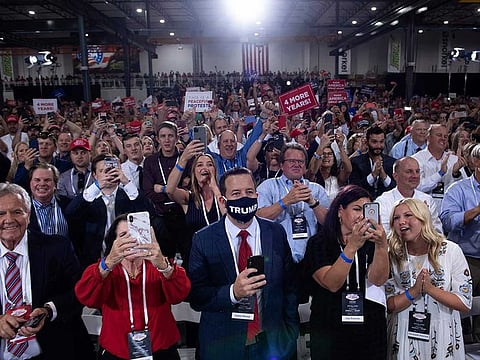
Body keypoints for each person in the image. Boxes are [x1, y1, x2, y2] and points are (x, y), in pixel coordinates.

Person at [189, 167, 299, 359]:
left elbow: (289, 286)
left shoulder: (275, 233)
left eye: (249, 192)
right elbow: (198, 296)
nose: (244, 197)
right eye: (236, 193)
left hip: (271, 343)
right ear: (223, 200)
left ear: (257, 195)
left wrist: (290, 331)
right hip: (223, 346)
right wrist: (233, 293)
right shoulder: (203, 239)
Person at [75, 214, 191, 360]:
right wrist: (109, 262)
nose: (131, 241)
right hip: (116, 352)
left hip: (162, 350)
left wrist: (164, 266)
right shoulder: (104, 270)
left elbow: (180, 294)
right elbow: (86, 297)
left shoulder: (159, 265)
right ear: (114, 242)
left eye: (136, 233)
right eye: (124, 235)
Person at [0, 183, 94, 360]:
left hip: (51, 350)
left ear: (28, 215)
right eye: (1, 213)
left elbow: (79, 293)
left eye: (17, 212)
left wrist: (48, 310)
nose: (9, 219)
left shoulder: (57, 247)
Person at [305, 185, 389, 359]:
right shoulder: (319, 243)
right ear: (340, 212)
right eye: (357, 209)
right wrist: (351, 247)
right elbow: (332, 283)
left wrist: (382, 245)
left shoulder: (372, 242)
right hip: (329, 325)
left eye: (366, 210)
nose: (362, 216)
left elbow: (378, 279)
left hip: (369, 324)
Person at [385, 198, 472, 359]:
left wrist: (430, 290)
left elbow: (465, 302)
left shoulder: (451, 251)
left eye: (408, 215)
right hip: (403, 331)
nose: (401, 221)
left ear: (423, 218)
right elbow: (388, 305)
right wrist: (414, 291)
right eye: (396, 218)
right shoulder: (392, 255)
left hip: (442, 331)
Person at [65, 154, 152, 267]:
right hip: (95, 262)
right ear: (94, 175)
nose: (108, 174)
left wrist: (126, 182)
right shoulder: (88, 198)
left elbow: (149, 213)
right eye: (103, 171)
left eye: (112, 170)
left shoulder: (130, 196)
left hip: (128, 260)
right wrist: (96, 186)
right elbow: (70, 213)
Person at [257, 143, 330, 264]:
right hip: (277, 256)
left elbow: (328, 222)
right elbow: (259, 217)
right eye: (291, 161)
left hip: (310, 257)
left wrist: (313, 203)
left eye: (300, 161)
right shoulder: (267, 186)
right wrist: (285, 201)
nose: (297, 165)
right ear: (281, 165)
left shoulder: (316, 189)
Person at [440, 143, 480, 341]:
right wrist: (476, 210)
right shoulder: (459, 189)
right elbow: (447, 220)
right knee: (460, 310)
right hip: (467, 258)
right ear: (476, 162)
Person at [166, 140, 224, 270]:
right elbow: (170, 190)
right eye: (199, 165)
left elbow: (228, 216)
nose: (204, 168)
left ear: (215, 170)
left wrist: (214, 188)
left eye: (209, 165)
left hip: (222, 256)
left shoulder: (223, 195)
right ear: (194, 172)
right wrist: (183, 159)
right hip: (196, 259)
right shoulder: (188, 198)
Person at [376, 157, 442, 234]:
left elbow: (437, 231)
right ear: (396, 176)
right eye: (409, 172)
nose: (415, 176)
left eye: (417, 171)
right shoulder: (383, 201)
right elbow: (383, 233)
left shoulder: (428, 200)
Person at [412, 124, 465, 208]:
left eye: (445, 136)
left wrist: (456, 174)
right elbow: (417, 186)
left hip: (450, 209)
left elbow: (464, 187)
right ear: (428, 137)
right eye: (439, 135)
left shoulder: (454, 160)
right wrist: (440, 174)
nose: (443, 138)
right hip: (425, 209)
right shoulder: (416, 160)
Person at [349, 125, 396, 199]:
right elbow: (355, 188)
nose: (378, 146)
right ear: (367, 142)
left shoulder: (392, 162)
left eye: (381, 142)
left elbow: (396, 188)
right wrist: (373, 175)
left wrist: (384, 176)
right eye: (374, 142)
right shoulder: (356, 162)